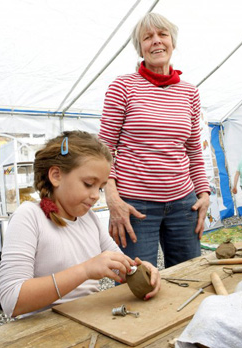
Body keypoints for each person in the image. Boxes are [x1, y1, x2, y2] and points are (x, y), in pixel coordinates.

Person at [0, 130, 161, 318]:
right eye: (88, 183)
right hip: (40, 329)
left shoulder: (89, 218)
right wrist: (85, 270)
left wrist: (141, 270)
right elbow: (11, 300)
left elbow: (120, 266)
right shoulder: (29, 216)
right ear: (56, 175)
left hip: (87, 319)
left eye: (100, 187)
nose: (95, 195)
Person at [98, 12, 210, 269]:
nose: (156, 41)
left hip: (184, 204)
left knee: (189, 276)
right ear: (140, 48)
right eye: (147, 37)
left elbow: (193, 150)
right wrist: (112, 199)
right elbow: (103, 150)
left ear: (173, 42)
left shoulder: (190, 92)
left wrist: (203, 193)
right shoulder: (123, 87)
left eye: (162, 34)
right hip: (135, 207)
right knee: (138, 282)